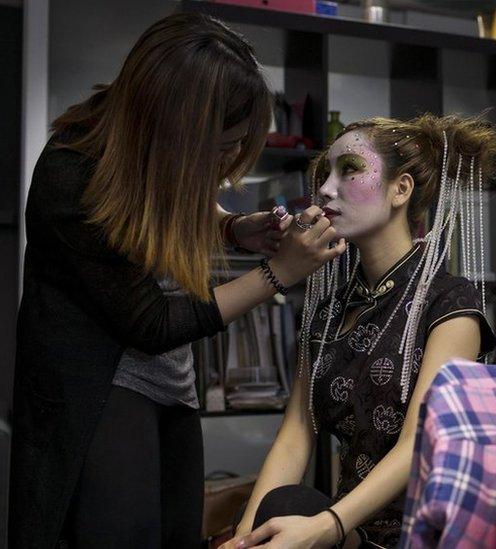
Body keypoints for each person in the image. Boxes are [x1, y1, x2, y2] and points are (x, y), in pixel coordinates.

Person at [11, 12, 346, 549]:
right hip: (99, 390)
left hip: (170, 383)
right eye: (221, 147)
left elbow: (165, 202)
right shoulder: (71, 176)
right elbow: (153, 322)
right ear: (173, 131)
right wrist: (278, 273)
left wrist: (233, 229)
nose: (231, 161)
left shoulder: (146, 146)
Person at [225, 114, 496, 548]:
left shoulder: (450, 302)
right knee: (273, 513)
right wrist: (243, 539)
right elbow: (297, 432)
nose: (326, 189)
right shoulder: (330, 310)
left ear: (401, 189)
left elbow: (418, 443)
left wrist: (324, 526)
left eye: (349, 170)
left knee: (291, 510)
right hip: (350, 531)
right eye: (326, 174)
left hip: (423, 531)